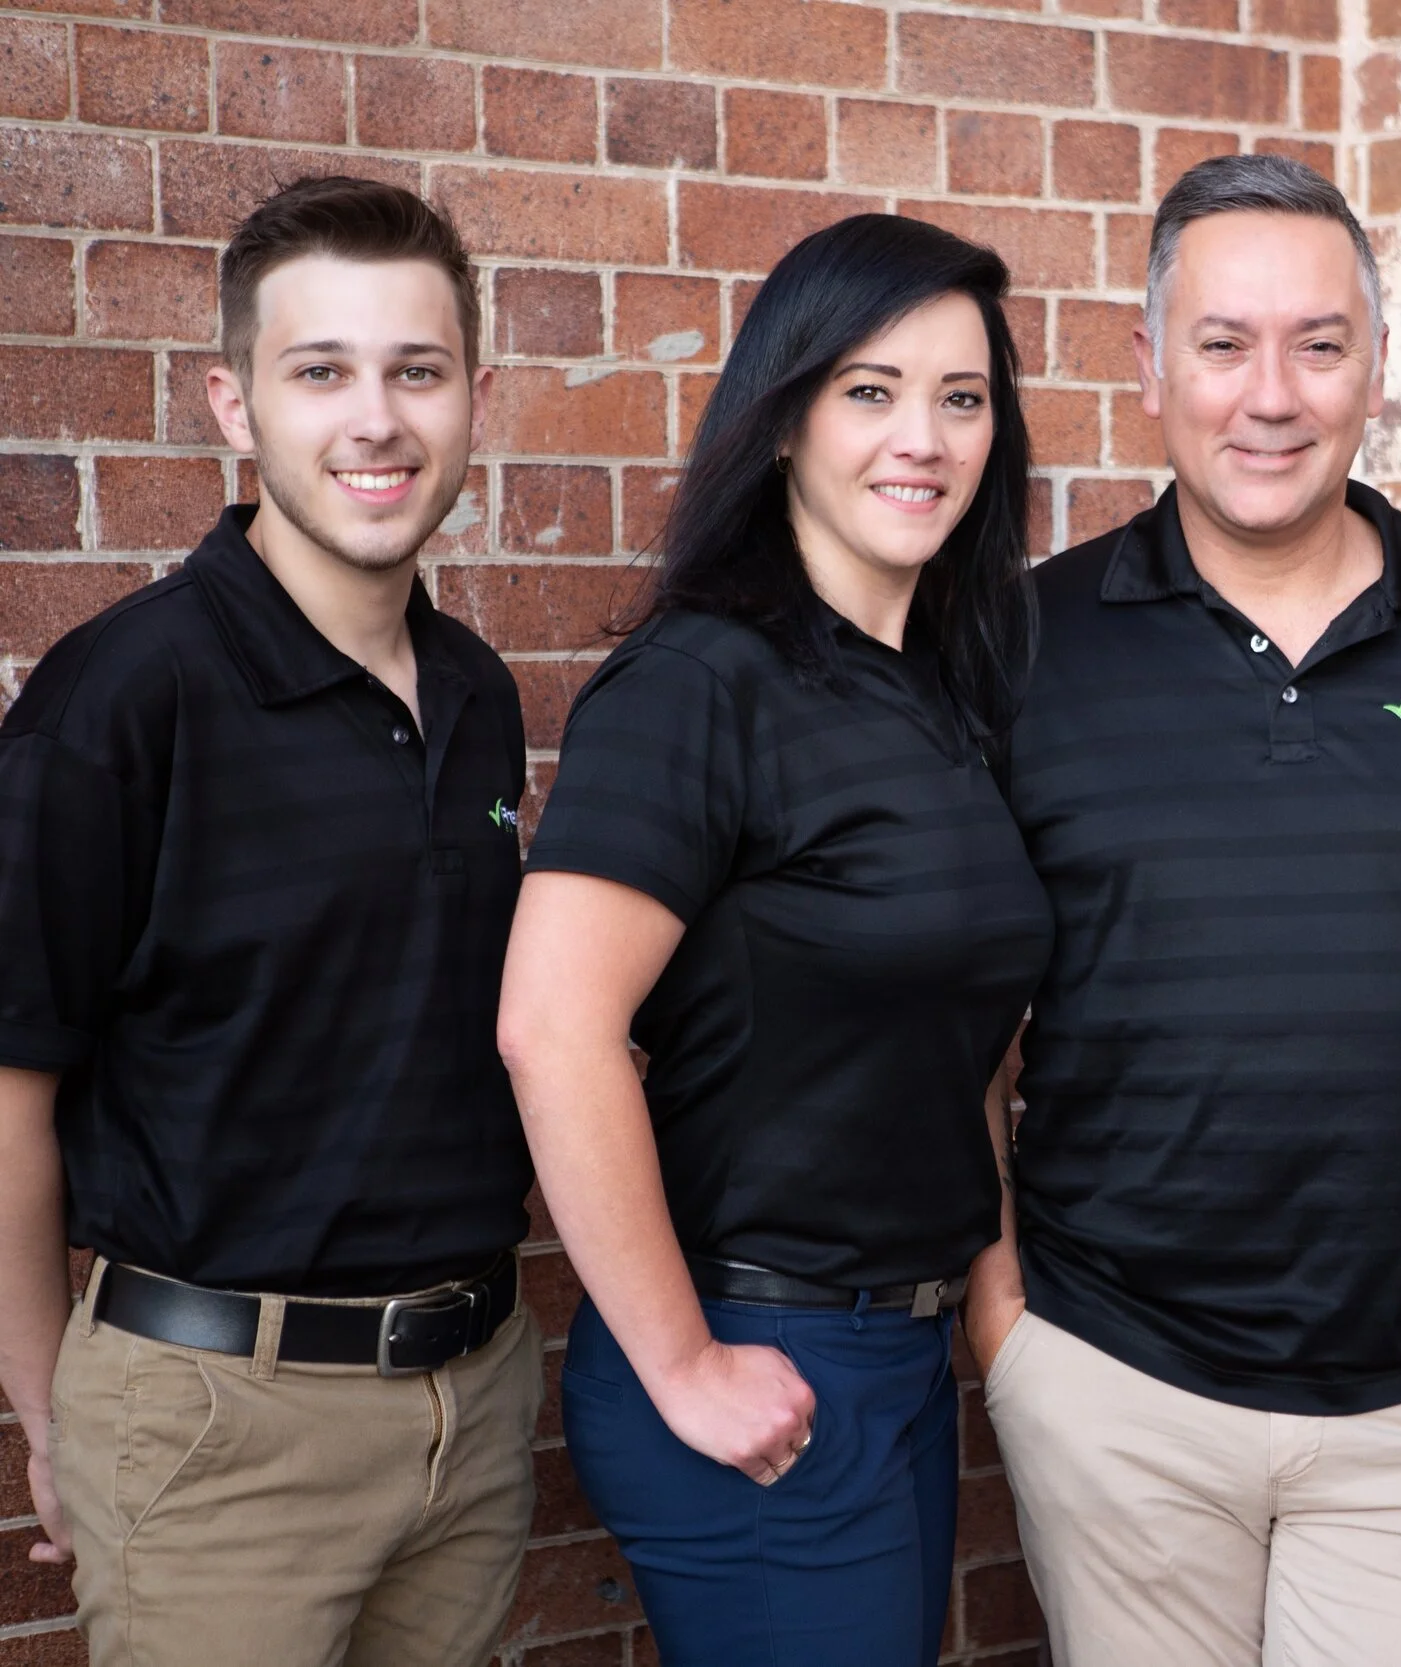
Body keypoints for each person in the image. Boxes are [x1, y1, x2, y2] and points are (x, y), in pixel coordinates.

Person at [961, 152, 1401, 1667]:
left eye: (1318, 344)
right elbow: (944, 1010)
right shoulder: (1022, 648)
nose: (1269, 396)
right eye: (1224, 344)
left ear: (1378, 365)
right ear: (1149, 365)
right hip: (1112, 1390)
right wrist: (1004, 1319)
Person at [496, 214, 1050, 1667]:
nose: (920, 436)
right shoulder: (701, 680)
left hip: (893, 1357)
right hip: (758, 1360)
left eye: (961, 395)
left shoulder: (937, 693)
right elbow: (552, 1027)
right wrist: (687, 1365)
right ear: (784, 410)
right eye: (869, 389)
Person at [0, 176, 538, 1666]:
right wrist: (54, 1413)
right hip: (217, 1425)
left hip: (472, 1400)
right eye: (322, 372)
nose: (375, 419)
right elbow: (9, 1086)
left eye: (415, 371)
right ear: (233, 405)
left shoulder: (479, 694)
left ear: (474, 398)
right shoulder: (124, 697)